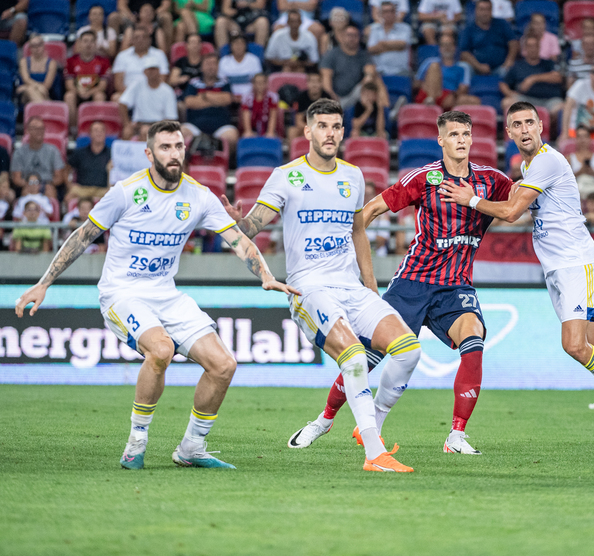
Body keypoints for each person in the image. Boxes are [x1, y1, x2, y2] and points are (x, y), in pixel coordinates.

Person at [15, 120, 294, 470]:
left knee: (224, 366)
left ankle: (191, 448)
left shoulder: (199, 196)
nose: (174, 154)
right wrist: (44, 282)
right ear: (149, 154)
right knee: (161, 350)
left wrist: (266, 274)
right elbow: (83, 236)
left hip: (166, 294)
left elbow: (238, 240)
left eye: (178, 146)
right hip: (122, 293)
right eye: (165, 147)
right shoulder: (126, 192)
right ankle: (136, 443)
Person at [441, 102, 594, 453]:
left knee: (574, 345)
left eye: (529, 122)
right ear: (508, 133)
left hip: (575, 264)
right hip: (559, 268)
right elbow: (516, 203)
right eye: (517, 125)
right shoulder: (529, 166)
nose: (524, 129)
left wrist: (471, 200)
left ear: (541, 126)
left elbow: (511, 212)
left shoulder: (547, 161)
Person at [277, 110, 513, 455]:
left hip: (456, 286)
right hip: (413, 282)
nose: (461, 140)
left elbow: (521, 203)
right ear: (441, 140)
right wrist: (340, 243)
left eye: (466, 133)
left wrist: (477, 200)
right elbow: (372, 209)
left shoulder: (492, 180)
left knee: (474, 340)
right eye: (454, 134)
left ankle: (456, 436)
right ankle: (324, 420)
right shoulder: (425, 178)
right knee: (367, 356)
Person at [222, 99, 419, 472]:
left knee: (409, 351)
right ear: (307, 131)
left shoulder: (353, 176)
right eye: (323, 126)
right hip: (309, 289)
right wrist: (237, 223)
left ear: (343, 132)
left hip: (351, 287)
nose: (330, 133)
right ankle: (375, 454)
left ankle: (371, 424)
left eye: (336, 126)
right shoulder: (287, 175)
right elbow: (252, 226)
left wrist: (371, 286)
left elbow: (357, 231)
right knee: (355, 358)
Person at [181, 53, 240, 152]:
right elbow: (190, 102)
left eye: (214, 64)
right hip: (195, 126)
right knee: (181, 133)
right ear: (202, 67)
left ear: (218, 66)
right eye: (208, 64)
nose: (211, 67)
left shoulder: (225, 82)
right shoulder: (193, 83)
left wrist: (204, 96)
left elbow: (227, 99)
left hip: (221, 127)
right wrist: (216, 100)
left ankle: (225, 161)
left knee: (232, 136)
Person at [320, 24, 386, 110]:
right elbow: (326, 80)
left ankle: (385, 109)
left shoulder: (363, 55)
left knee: (376, 78)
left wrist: (368, 76)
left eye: (355, 35)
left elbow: (370, 70)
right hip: (335, 96)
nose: (352, 38)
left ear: (359, 38)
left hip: (356, 95)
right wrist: (332, 98)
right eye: (349, 35)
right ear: (342, 37)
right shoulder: (331, 55)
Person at [499, 34, 564, 117]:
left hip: (549, 101)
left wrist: (533, 79)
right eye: (530, 46)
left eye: (535, 46)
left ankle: (545, 124)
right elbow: (503, 84)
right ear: (525, 48)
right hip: (526, 100)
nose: (533, 49)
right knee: (507, 102)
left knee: (562, 107)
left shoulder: (549, 63)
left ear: (539, 47)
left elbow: (558, 78)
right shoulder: (518, 66)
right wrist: (510, 93)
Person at [414, 32, 481, 109]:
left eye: (449, 45)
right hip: (428, 93)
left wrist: (453, 96)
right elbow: (416, 84)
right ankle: (431, 100)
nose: (447, 48)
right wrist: (431, 84)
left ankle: (446, 110)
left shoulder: (462, 67)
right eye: (444, 45)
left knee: (475, 101)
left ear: (454, 48)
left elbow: (463, 88)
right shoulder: (429, 61)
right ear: (440, 48)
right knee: (434, 66)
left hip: (448, 96)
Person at [119, 58, 179, 140]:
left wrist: (154, 127)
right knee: (127, 133)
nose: (151, 72)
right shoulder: (137, 85)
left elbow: (171, 118)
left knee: (146, 131)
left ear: (158, 71)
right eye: (149, 70)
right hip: (138, 124)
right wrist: (127, 124)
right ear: (144, 72)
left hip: (159, 125)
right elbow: (122, 103)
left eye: (153, 69)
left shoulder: (167, 91)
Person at [64, 31, 112, 128]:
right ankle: (73, 129)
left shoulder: (104, 61)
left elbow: (102, 86)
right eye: (85, 41)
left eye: (91, 41)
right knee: (69, 96)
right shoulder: (71, 61)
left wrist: (89, 92)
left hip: (94, 92)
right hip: (77, 92)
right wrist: (79, 92)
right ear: (79, 43)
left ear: (95, 44)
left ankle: (96, 127)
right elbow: (69, 84)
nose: (88, 44)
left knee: (99, 96)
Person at [458, 0, 518, 76]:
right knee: (463, 67)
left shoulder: (502, 24)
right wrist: (479, 66)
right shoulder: (468, 29)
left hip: (501, 67)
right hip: (476, 68)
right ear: (476, 10)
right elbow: (464, 52)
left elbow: (513, 42)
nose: (485, 13)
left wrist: (509, 60)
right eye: (482, 9)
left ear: (491, 11)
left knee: (509, 70)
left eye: (488, 9)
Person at [112, 26, 170, 102]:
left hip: (153, 92)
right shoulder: (122, 56)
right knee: (116, 98)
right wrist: (133, 93)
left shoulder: (159, 55)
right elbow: (118, 83)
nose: (140, 40)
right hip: (128, 93)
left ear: (149, 40)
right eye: (137, 37)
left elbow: (162, 79)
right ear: (131, 40)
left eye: (144, 37)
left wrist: (148, 93)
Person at [10, 118, 65, 196]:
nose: (40, 131)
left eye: (41, 128)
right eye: (36, 129)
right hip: (27, 185)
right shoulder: (19, 153)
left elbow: (59, 178)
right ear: (28, 131)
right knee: (25, 193)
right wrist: (32, 185)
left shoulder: (53, 150)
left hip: (47, 184)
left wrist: (44, 185)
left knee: (51, 192)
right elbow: (17, 179)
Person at [66, 121, 112, 200]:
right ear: (90, 134)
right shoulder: (80, 153)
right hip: (83, 189)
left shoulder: (112, 154)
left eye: (102, 130)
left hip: (103, 190)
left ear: (105, 134)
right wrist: (69, 185)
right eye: (96, 130)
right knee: (69, 197)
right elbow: (67, 169)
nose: (99, 133)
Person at [109, 0, 174, 56]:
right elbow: (121, 5)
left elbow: (166, 5)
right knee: (114, 17)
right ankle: (114, 54)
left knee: (167, 17)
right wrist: (131, 16)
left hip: (155, 15)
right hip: (132, 16)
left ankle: (167, 54)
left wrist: (151, 13)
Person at [368, 1, 413, 77]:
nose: (389, 14)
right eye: (385, 11)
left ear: (395, 13)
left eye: (391, 11)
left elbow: (402, 44)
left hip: (401, 71)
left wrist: (382, 44)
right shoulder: (374, 29)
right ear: (380, 14)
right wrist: (394, 46)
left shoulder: (405, 28)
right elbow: (371, 49)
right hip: (379, 72)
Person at [17, 34, 59, 103]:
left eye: (39, 45)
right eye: (33, 46)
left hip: (45, 93)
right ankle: (47, 106)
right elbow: (26, 79)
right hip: (25, 96)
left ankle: (42, 107)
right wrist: (38, 86)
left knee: (30, 89)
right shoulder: (23, 62)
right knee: (30, 90)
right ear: (30, 48)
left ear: (43, 45)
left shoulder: (52, 63)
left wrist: (25, 87)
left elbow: (47, 85)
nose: (37, 48)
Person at [568, 125, 594, 198]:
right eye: (579, 137)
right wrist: (580, 171)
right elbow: (565, 181)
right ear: (576, 139)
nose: (582, 140)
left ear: (589, 139)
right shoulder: (569, 158)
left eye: (585, 136)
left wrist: (593, 173)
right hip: (576, 193)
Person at [218, 34, 263, 98]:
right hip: (229, 97)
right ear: (231, 46)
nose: (238, 46)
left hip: (250, 96)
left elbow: (258, 80)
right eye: (236, 43)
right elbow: (221, 81)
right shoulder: (224, 61)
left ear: (245, 45)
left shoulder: (254, 60)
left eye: (241, 43)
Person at [241, 73, 278, 138]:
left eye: (262, 82)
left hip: (267, 128)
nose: (260, 85)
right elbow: (246, 115)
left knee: (271, 136)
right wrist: (248, 131)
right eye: (257, 83)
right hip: (252, 128)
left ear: (266, 84)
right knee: (247, 136)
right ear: (253, 84)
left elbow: (273, 116)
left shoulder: (272, 97)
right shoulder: (247, 98)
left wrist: (270, 132)